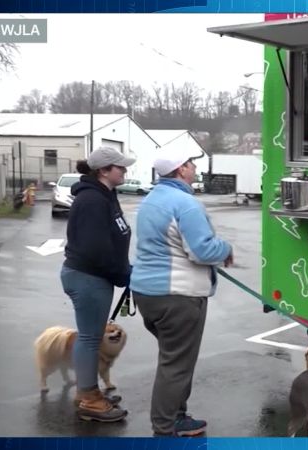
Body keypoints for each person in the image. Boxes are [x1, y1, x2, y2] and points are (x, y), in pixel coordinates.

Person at [130, 148, 233, 437]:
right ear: (180, 170)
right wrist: (226, 248)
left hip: (147, 294)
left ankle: (178, 416)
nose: (194, 168)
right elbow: (201, 250)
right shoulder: (185, 203)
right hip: (178, 296)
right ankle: (165, 430)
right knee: (175, 365)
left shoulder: (151, 199)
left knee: (175, 358)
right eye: (190, 164)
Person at [60, 146, 134, 422]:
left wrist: (123, 270)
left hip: (97, 276)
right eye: (120, 167)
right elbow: (96, 250)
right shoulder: (92, 200)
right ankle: (89, 398)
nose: (125, 170)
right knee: (90, 338)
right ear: (104, 171)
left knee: (89, 337)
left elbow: (111, 241)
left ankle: (87, 391)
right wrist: (122, 274)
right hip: (88, 277)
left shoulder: (105, 195)